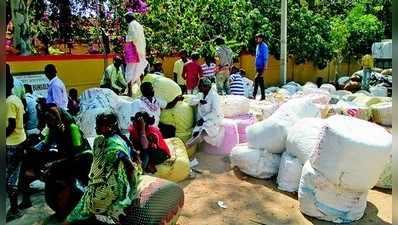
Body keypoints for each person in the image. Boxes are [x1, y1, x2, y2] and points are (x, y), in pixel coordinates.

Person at [63, 112, 141, 225]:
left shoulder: (114, 146)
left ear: (110, 126)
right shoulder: (103, 140)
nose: (97, 127)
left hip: (111, 187)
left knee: (83, 207)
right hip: (107, 180)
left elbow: (131, 168)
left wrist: (133, 194)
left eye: (100, 125)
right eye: (97, 124)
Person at [6, 68, 27, 221]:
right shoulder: (15, 99)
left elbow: (11, 125)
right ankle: (23, 202)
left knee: (11, 179)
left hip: (12, 144)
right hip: (19, 140)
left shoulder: (9, 102)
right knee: (18, 174)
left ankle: (14, 210)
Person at [186, 77, 223, 148]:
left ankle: (188, 146)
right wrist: (199, 101)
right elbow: (190, 102)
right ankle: (187, 145)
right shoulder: (201, 94)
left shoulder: (214, 96)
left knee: (202, 132)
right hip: (202, 120)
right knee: (195, 134)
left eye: (200, 86)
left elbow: (215, 112)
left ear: (207, 87)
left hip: (213, 119)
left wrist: (203, 119)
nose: (199, 88)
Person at [124, 12, 148, 86]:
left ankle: (129, 91)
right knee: (138, 70)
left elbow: (134, 37)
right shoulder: (139, 25)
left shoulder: (132, 24)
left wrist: (127, 40)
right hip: (140, 50)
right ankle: (139, 88)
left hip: (133, 49)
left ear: (128, 18)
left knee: (130, 70)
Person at [253, 33, 269, 100]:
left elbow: (265, 57)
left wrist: (265, 68)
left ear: (261, 39)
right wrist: (255, 66)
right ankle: (263, 96)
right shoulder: (257, 46)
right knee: (260, 82)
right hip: (258, 67)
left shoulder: (264, 46)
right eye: (256, 38)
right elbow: (257, 57)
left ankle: (254, 95)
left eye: (258, 38)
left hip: (262, 67)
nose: (256, 39)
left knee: (257, 79)